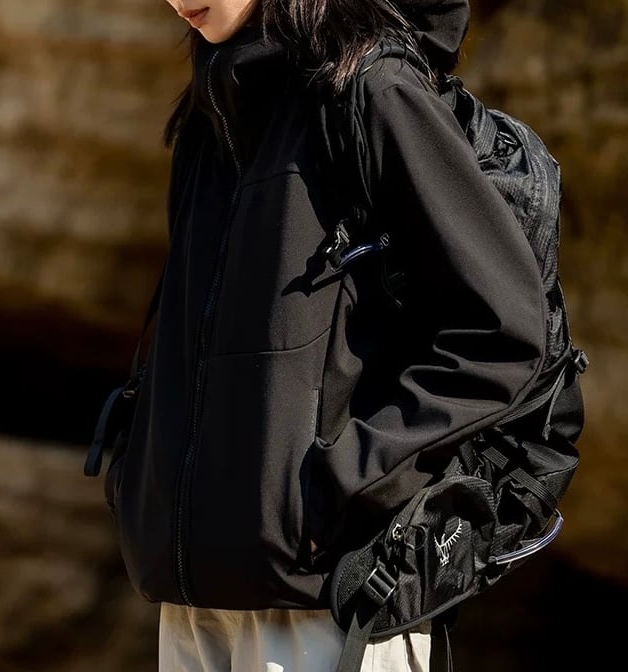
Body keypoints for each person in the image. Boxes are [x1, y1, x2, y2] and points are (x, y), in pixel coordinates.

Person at [105, 1, 547, 670]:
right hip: (193, 604)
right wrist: (143, 484)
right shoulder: (210, 115)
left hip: (330, 603)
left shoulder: (372, 88)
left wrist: (337, 489)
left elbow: (501, 330)